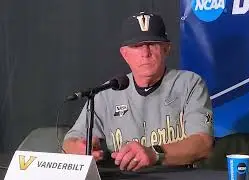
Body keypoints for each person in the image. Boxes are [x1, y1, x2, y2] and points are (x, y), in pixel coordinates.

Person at [63, 11, 214, 172]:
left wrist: (155, 153)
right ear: (125, 54)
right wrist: (79, 148)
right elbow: (69, 142)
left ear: (166, 49)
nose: (145, 53)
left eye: (152, 44)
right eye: (137, 46)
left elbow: (203, 144)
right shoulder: (107, 92)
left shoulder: (189, 84)